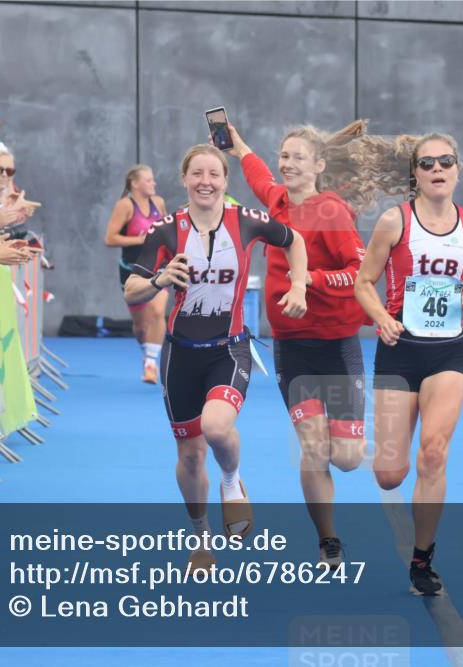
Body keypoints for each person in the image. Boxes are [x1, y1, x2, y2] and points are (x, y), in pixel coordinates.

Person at [123, 144, 308, 570]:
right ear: (184, 179)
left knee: (216, 427)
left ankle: (231, 481)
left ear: (225, 181)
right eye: (197, 174)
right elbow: (131, 290)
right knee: (190, 455)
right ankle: (201, 538)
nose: (205, 182)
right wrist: (159, 280)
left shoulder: (246, 221)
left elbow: (294, 241)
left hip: (229, 350)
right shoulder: (164, 230)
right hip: (180, 356)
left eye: (214, 174)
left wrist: (298, 286)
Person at [225, 123, 369, 566]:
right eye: (284, 156)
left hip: (337, 346)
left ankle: (342, 450)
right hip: (292, 348)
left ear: (319, 166)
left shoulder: (333, 213)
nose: (287, 164)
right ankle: (328, 541)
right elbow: (259, 176)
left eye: (298, 157)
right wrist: (239, 146)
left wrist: (310, 279)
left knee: (347, 458)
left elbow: (359, 273)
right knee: (313, 447)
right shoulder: (277, 202)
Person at [355, 133, 463, 596]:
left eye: (445, 161)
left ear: (458, 169)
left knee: (433, 452)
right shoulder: (395, 221)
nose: (436, 169)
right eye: (426, 163)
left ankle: (422, 559)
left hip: (448, 351)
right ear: (415, 173)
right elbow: (364, 282)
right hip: (400, 349)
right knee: (390, 473)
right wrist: (381, 318)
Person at [104, 165, 169, 382]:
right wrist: (141, 239)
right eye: (148, 180)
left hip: (158, 267)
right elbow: (110, 238)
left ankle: (151, 363)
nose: (153, 183)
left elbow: (167, 231)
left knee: (158, 312)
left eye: (153, 179)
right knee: (141, 327)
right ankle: (147, 351)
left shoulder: (158, 203)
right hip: (132, 270)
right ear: (135, 184)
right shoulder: (125, 205)